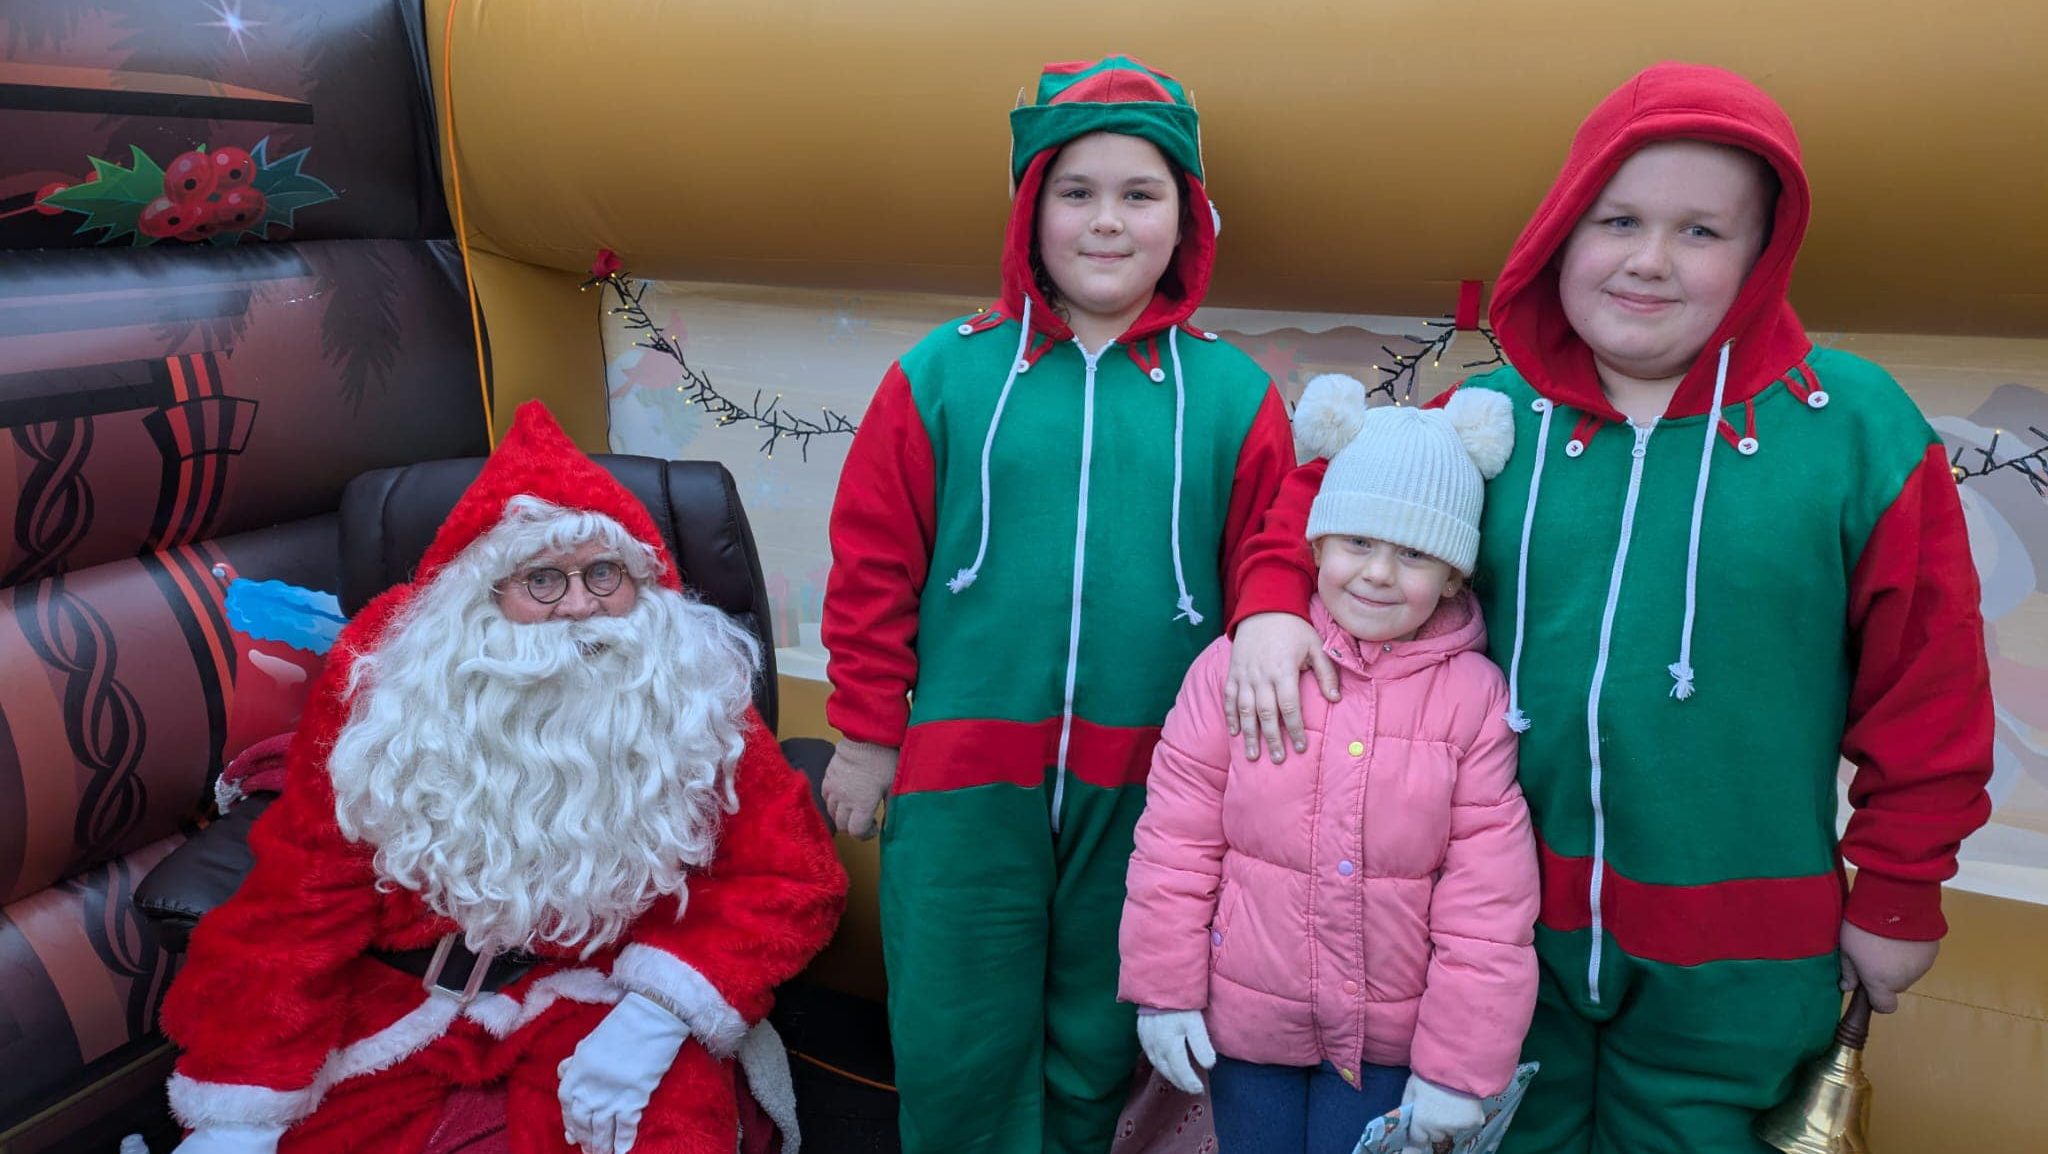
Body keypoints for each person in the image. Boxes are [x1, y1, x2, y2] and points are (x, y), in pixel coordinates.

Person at [1225, 63, 1995, 1153]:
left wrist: (1899, 888)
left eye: (1698, 231)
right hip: (1485, 937)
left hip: (1738, 954)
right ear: (1557, 234)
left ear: (1760, 254)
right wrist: (1269, 605)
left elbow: (1926, 681)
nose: (1646, 259)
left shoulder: (1853, 427)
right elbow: (1314, 498)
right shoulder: (1484, 418)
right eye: (1616, 220)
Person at [818, 54, 1296, 1154]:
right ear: (1031, 212)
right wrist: (863, 731)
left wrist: (1270, 621)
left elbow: (1271, 549)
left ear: (1186, 217)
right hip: (958, 763)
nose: (1106, 222)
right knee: (952, 1016)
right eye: (1075, 193)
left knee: (1103, 1021)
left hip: (1152, 777)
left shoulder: (1230, 391)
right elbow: (873, 557)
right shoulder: (942, 372)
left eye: (1140, 194)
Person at [158, 402, 848, 1154]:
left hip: (606, 992)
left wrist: (653, 1021)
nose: (581, 605)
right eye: (543, 580)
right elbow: (300, 899)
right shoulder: (388, 685)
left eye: (604, 573)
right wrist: (239, 1105)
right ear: (485, 595)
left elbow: (788, 876)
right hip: (398, 998)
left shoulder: (687, 684)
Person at [1119, 381, 1539, 1154]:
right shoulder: (1234, 670)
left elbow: (1489, 903)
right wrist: (1163, 989)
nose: (1379, 574)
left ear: (1453, 576)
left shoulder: (1476, 701)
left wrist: (1460, 1067)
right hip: (1248, 1029)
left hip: (1392, 1046)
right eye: (1356, 543)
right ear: (1314, 545)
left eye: (1414, 553)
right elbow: (1175, 842)